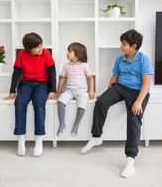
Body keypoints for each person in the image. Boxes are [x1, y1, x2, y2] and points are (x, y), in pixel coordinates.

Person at [81, 29, 154, 178]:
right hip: (120, 88)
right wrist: (108, 93)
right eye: (121, 43)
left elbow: (146, 83)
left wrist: (139, 101)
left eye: (124, 44)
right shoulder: (120, 59)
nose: (121, 46)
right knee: (100, 102)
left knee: (134, 119)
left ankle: (130, 159)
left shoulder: (143, 59)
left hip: (138, 91)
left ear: (134, 46)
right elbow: (115, 77)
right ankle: (96, 137)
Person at [4, 32, 56, 157]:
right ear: (29, 49)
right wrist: (12, 91)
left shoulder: (45, 53)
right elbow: (16, 73)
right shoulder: (22, 54)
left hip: (42, 84)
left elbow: (52, 71)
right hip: (26, 84)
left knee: (39, 103)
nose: (41, 48)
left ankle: (39, 139)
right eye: (38, 47)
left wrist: (53, 90)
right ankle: (21, 139)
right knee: (19, 102)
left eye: (41, 45)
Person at [56, 42, 95, 137]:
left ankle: (76, 125)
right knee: (60, 102)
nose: (67, 53)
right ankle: (62, 124)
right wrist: (58, 93)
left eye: (69, 51)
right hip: (69, 90)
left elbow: (90, 78)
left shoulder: (84, 65)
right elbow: (62, 79)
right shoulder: (66, 65)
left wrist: (91, 90)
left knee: (82, 104)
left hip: (81, 90)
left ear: (77, 53)